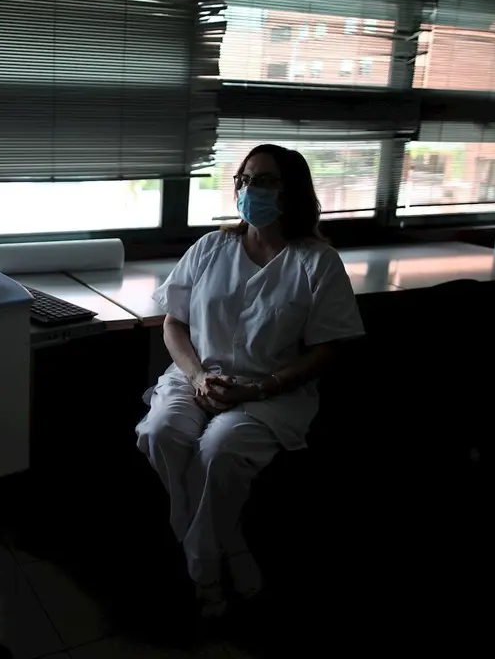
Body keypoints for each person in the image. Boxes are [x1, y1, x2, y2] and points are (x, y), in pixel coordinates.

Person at [136, 144, 365, 618]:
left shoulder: (317, 263)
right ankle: (231, 542)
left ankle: (203, 570)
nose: (248, 190)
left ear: (292, 191)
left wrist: (256, 389)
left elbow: (328, 349)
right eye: (243, 179)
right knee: (161, 434)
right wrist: (197, 375)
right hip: (195, 377)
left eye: (263, 181)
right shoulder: (210, 248)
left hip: (269, 390)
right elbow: (173, 322)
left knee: (218, 451)